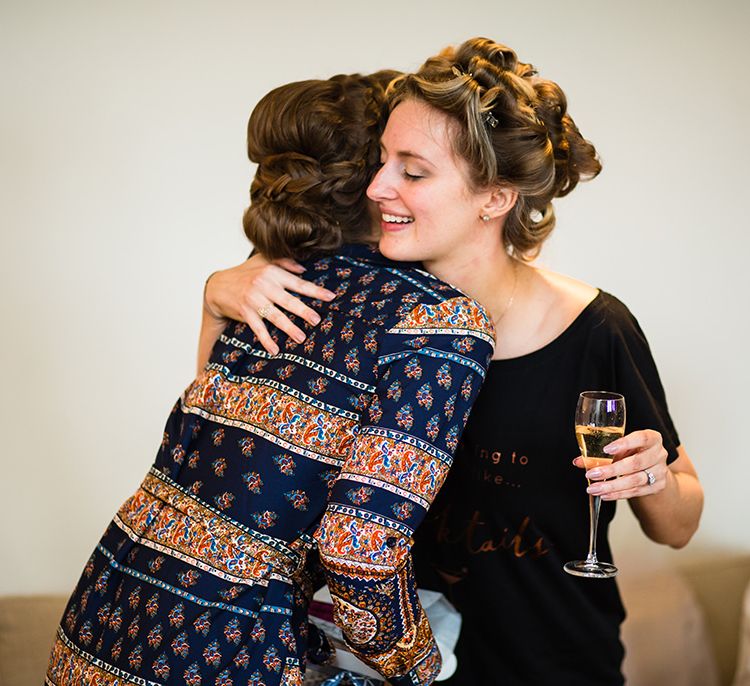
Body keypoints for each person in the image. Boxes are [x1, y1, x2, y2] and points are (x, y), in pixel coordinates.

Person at [202, 37, 704, 685]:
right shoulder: (342, 306)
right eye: (381, 160)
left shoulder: (595, 329)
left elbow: (680, 526)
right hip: (386, 671)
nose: (378, 186)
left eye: (413, 171)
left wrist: (655, 477)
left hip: (555, 668)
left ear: (494, 197)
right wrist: (217, 298)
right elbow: (219, 454)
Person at [46, 72, 498, 686]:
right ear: (369, 177)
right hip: (221, 646)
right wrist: (417, 664)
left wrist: (214, 297)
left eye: (413, 168)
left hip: (102, 615)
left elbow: (209, 446)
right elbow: (359, 549)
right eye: (395, 163)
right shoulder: (436, 319)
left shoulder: (268, 282)